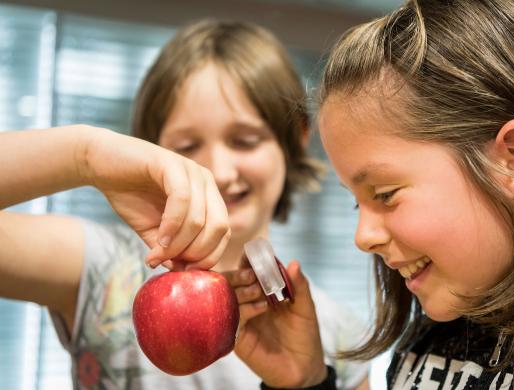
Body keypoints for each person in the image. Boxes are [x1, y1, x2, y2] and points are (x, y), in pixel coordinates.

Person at [232, 0, 514, 389]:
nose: (363, 237)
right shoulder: (442, 327)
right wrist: (304, 382)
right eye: (358, 201)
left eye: (385, 193)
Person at [0, 20, 370, 389]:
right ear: (149, 150)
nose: (220, 172)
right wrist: (85, 157)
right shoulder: (100, 265)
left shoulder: (338, 335)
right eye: (186, 147)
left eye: (244, 140)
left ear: (297, 137)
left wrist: (308, 383)